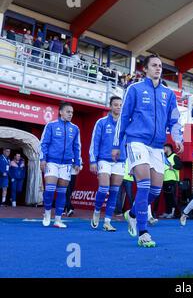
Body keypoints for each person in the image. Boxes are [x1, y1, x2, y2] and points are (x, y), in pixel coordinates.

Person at [113, 53, 183, 248]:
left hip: (157, 146)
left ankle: (133, 213)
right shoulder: (134, 89)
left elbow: (175, 119)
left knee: (155, 190)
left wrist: (178, 137)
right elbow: (124, 117)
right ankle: (143, 232)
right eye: (154, 65)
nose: (158, 68)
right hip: (136, 141)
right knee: (143, 184)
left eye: (160, 65)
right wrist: (116, 144)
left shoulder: (168, 94)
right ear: (145, 69)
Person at [40, 102, 81, 228]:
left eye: (72, 112)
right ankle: (47, 214)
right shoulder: (51, 125)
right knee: (50, 190)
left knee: (62, 192)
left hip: (67, 164)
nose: (70, 114)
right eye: (68, 112)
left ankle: (58, 219)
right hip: (52, 161)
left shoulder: (75, 128)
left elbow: (76, 147)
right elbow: (44, 143)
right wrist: (43, 159)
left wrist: (77, 162)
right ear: (61, 112)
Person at [89, 96, 126, 232]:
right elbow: (95, 142)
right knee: (104, 189)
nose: (118, 107)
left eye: (120, 105)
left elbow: (129, 144)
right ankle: (97, 210)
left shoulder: (125, 124)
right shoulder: (102, 122)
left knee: (114, 192)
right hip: (104, 159)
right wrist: (93, 161)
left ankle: (107, 221)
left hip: (120, 162)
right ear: (110, 106)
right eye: (115, 105)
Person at [159, 143, 182, 219]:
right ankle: (167, 212)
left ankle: (174, 213)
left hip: (173, 180)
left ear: (168, 148)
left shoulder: (174, 156)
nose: (163, 149)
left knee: (172, 197)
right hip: (165, 179)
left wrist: (173, 167)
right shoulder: (164, 158)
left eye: (164, 148)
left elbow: (180, 166)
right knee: (166, 197)